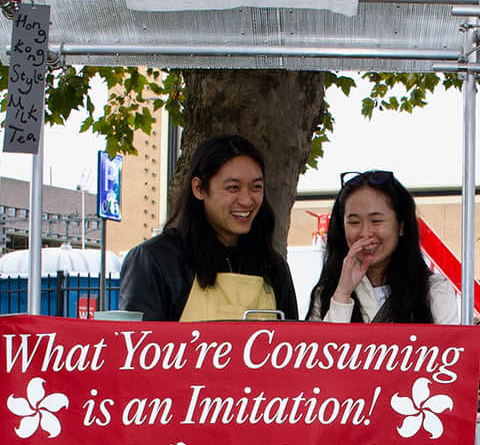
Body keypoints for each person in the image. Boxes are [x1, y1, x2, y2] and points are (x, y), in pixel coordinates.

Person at [119, 133, 298, 322]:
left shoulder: (273, 267)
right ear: (199, 189)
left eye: (256, 187)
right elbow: (138, 346)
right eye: (233, 188)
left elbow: (293, 345)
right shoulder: (156, 260)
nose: (246, 200)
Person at [307, 169, 459, 324]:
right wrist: (343, 294)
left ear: (401, 226)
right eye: (354, 223)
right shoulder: (326, 294)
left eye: (376, 221)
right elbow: (323, 346)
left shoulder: (435, 291)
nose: (365, 233)